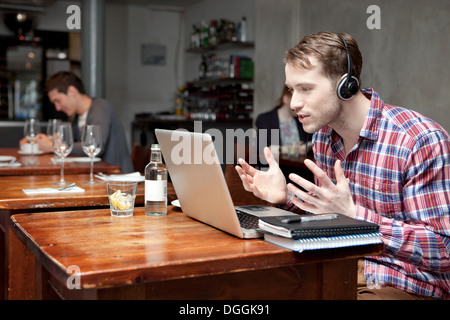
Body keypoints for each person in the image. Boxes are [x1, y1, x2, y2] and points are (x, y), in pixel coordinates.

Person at [236, 32, 450, 300]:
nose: (293, 103)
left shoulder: (418, 140)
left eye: (306, 88)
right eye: (292, 89)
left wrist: (355, 214)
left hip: (402, 284)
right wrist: (286, 197)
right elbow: (328, 218)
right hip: (338, 268)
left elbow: (444, 249)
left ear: (345, 85)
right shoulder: (324, 138)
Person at [28, 71, 134, 173]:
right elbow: (71, 141)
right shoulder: (80, 116)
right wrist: (48, 140)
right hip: (99, 174)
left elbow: (96, 146)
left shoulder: (100, 108)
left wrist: (54, 146)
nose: (57, 108)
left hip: (118, 178)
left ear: (72, 91)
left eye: (58, 101)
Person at [256, 85, 312, 182]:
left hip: (300, 174)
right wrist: (291, 149)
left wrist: (307, 147)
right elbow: (262, 150)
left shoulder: (302, 120)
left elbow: (311, 140)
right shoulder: (265, 120)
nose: (299, 106)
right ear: (286, 99)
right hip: (275, 173)